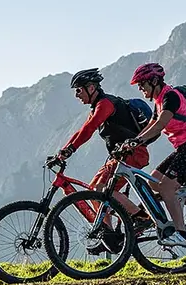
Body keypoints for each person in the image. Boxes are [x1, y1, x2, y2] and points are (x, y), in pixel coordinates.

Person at [54, 68, 151, 250]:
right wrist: (63, 151)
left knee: (101, 190)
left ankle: (141, 217)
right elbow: (81, 131)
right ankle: (108, 236)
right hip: (118, 157)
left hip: (132, 154)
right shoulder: (97, 106)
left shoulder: (106, 104)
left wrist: (70, 150)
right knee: (94, 191)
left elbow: (89, 129)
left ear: (91, 88)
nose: (77, 95)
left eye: (78, 90)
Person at [122, 62, 186, 248]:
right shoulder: (158, 102)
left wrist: (137, 142)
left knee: (165, 188)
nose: (140, 89)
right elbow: (150, 126)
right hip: (185, 147)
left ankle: (181, 233)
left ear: (155, 81)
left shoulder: (170, 97)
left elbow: (160, 125)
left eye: (142, 84)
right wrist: (131, 142)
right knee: (153, 180)